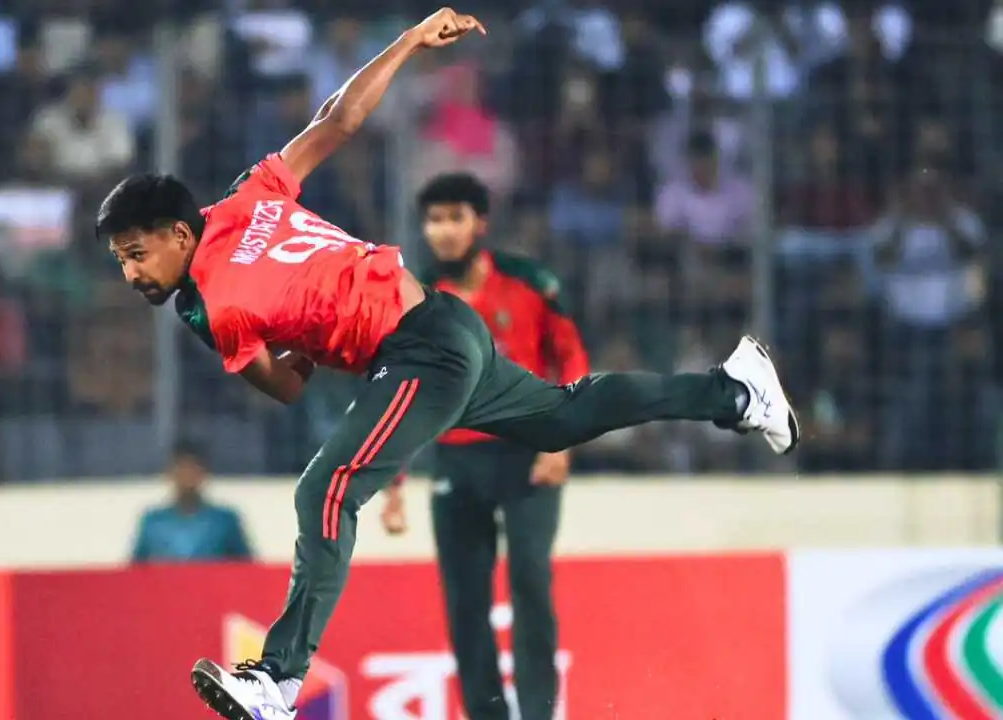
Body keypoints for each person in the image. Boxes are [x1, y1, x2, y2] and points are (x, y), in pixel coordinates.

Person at [95, 9, 799, 720]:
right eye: (121, 260)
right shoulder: (251, 194)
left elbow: (283, 386)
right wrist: (406, 43)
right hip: (443, 325)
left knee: (326, 489)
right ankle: (735, 392)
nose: (130, 275)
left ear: (178, 233)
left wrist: (305, 338)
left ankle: (276, 679)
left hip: (417, 350)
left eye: (136, 254)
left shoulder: (214, 304)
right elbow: (338, 121)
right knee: (563, 417)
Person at [379, 172, 585, 720]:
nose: (443, 231)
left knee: (530, 581)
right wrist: (393, 484)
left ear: (480, 223)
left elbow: (570, 356)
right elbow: (399, 392)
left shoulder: (530, 282)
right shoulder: (417, 301)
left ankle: (538, 712)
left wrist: (563, 441)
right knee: (465, 599)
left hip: (527, 451)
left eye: (455, 217)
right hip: (457, 459)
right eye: (434, 220)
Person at [130, 443, 252, 562]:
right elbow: (136, 569)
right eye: (181, 469)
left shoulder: (223, 520)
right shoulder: (153, 522)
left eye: (193, 469)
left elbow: (246, 567)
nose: (187, 476)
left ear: (204, 474)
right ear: (170, 474)